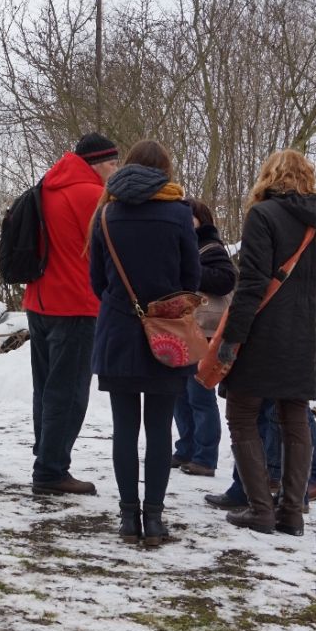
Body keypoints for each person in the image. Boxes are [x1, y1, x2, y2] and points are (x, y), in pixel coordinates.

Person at [89, 140, 201, 545]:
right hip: (166, 334)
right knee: (158, 428)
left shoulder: (106, 214)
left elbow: (97, 282)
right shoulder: (179, 214)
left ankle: (127, 518)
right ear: (164, 171)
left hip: (118, 332)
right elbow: (192, 278)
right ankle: (153, 519)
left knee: (124, 428)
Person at [217, 149, 316, 538]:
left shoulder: (263, 214)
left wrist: (232, 338)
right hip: (307, 332)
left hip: (264, 331)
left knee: (242, 414)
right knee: (295, 415)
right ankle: (292, 513)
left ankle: (261, 509)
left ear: (269, 176)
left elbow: (253, 283)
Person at [22, 132, 119, 496]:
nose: (116, 170)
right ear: (97, 164)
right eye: (113, 163)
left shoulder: (47, 186)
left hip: (39, 301)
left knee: (46, 388)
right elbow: (107, 252)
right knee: (70, 392)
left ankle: (46, 454)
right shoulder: (92, 195)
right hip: (76, 304)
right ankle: (51, 470)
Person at [172, 199, 236, 476]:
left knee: (199, 393)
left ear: (201, 220)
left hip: (204, 330)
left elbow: (225, 280)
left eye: (190, 217)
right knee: (179, 394)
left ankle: (205, 457)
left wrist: (189, 270)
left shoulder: (211, 247)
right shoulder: (180, 244)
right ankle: (186, 448)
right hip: (182, 328)